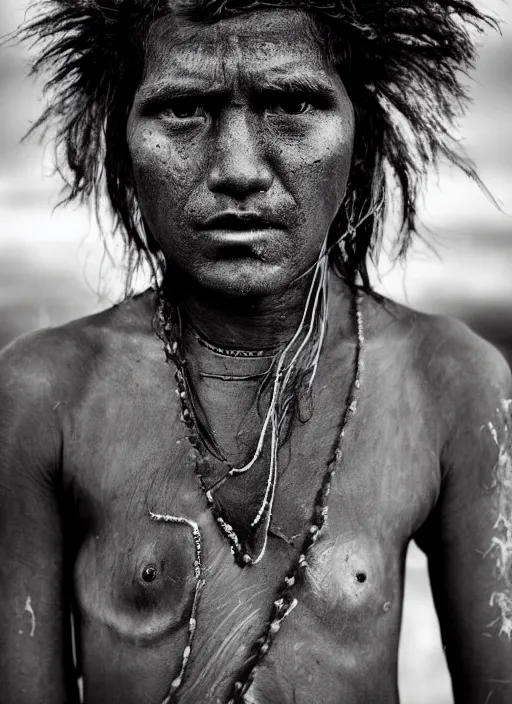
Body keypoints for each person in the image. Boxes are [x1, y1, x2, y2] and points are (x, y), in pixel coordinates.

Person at [1, 1, 511, 702]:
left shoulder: (449, 384)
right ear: (122, 144)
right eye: (182, 109)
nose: (238, 169)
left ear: (360, 138)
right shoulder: (46, 394)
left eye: (293, 102)